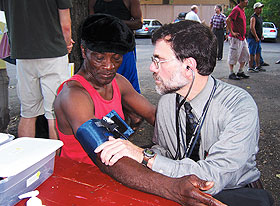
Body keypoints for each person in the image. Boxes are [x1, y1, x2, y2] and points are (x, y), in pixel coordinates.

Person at [95, 20, 274, 205]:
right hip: (179, 188)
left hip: (233, 192)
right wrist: (136, 153)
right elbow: (164, 150)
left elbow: (211, 179)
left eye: (159, 60)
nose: (152, 68)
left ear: (189, 67)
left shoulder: (238, 106)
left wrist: (145, 156)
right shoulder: (167, 101)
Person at [54, 14, 224, 206]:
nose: (109, 66)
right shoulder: (73, 95)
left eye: (116, 59)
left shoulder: (118, 82)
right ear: (84, 52)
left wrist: (205, 138)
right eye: (99, 58)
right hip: (83, 179)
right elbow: (103, 153)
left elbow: (156, 116)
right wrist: (172, 187)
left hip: (119, 172)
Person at [0, 0, 74, 139]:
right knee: (54, 115)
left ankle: (26, 158)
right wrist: (67, 43)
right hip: (53, 53)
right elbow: (66, 26)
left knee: (28, 113)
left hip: (23, 55)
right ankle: (56, 159)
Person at [88, 0, 143, 130]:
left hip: (123, 50)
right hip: (101, 49)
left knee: (127, 88)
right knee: (104, 88)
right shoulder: (93, 1)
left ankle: (130, 122)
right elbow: (91, 21)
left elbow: (138, 23)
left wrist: (113, 22)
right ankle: (113, 130)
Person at [226, 0, 250, 80]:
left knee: (245, 54)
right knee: (234, 55)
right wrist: (232, 32)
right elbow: (228, 20)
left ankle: (240, 71)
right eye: (246, 0)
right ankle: (231, 72)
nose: (247, 1)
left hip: (242, 38)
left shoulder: (242, 10)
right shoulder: (236, 9)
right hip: (236, 38)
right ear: (241, 1)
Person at [247, 2, 266, 73]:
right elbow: (252, 28)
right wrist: (256, 36)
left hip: (258, 38)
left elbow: (260, 27)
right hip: (252, 38)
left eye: (261, 8)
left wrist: (261, 35)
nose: (260, 10)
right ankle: (250, 67)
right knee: (252, 53)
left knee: (258, 52)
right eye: (259, 8)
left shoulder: (259, 17)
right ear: (255, 9)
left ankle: (258, 66)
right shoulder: (253, 17)